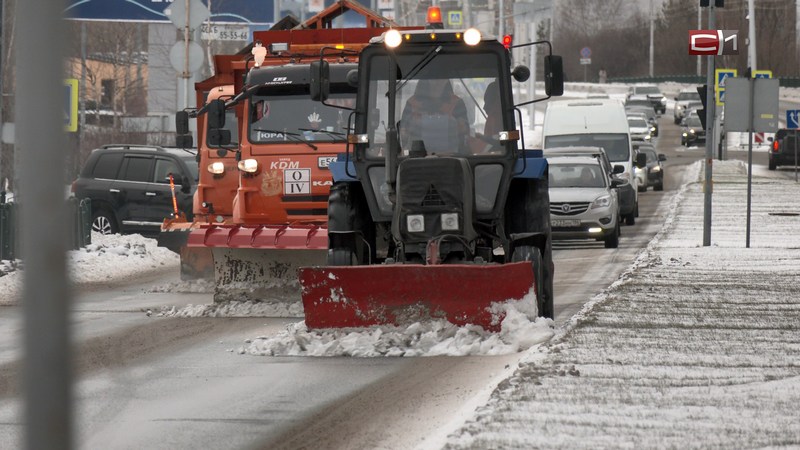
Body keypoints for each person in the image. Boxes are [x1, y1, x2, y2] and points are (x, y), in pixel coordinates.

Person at [399, 78, 470, 154]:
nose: (438, 81)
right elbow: (402, 135)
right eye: (433, 78)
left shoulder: (457, 103)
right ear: (425, 79)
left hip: (451, 158)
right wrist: (410, 129)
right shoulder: (412, 103)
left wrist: (458, 126)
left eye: (442, 78)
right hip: (417, 158)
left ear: (447, 80)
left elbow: (465, 136)